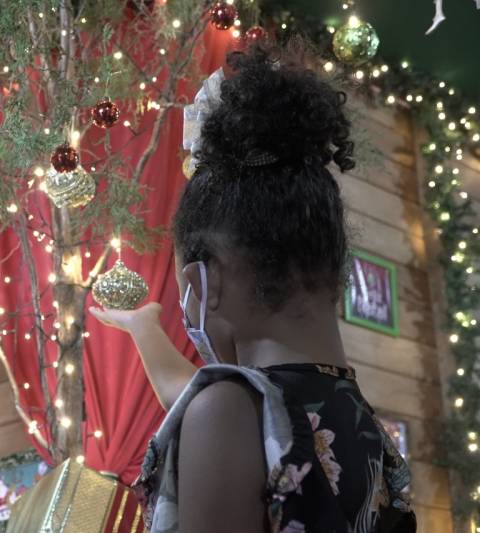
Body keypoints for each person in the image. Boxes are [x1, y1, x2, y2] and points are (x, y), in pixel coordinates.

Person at [91, 44, 416, 533]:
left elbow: (219, 404)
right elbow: (219, 396)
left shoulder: (226, 412)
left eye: (187, 288)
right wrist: (144, 329)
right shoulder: (359, 420)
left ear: (209, 280)